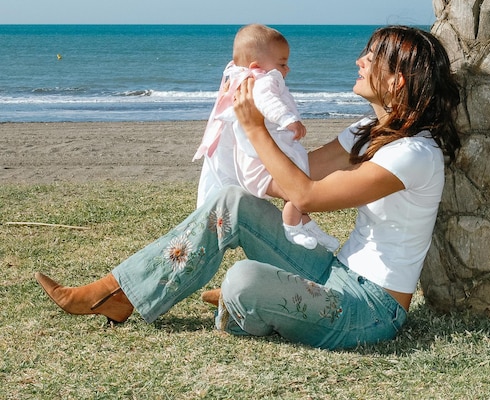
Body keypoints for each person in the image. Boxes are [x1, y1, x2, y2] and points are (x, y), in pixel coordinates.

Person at [34, 25, 461, 350]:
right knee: (231, 202)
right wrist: (243, 137)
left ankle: (252, 298)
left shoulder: (413, 154)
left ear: (397, 80)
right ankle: (117, 294)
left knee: (241, 280)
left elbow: (307, 195)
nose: (360, 61)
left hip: (370, 310)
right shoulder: (369, 131)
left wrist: (256, 128)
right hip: (334, 272)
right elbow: (302, 171)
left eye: (371, 57)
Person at [193, 24, 338, 251]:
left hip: (253, 161)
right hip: (261, 164)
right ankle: (292, 228)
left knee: (298, 187)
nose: (287, 69)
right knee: (295, 191)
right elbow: (268, 102)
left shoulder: (238, 79)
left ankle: (308, 227)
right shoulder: (263, 80)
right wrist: (289, 119)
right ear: (255, 65)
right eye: (282, 63)